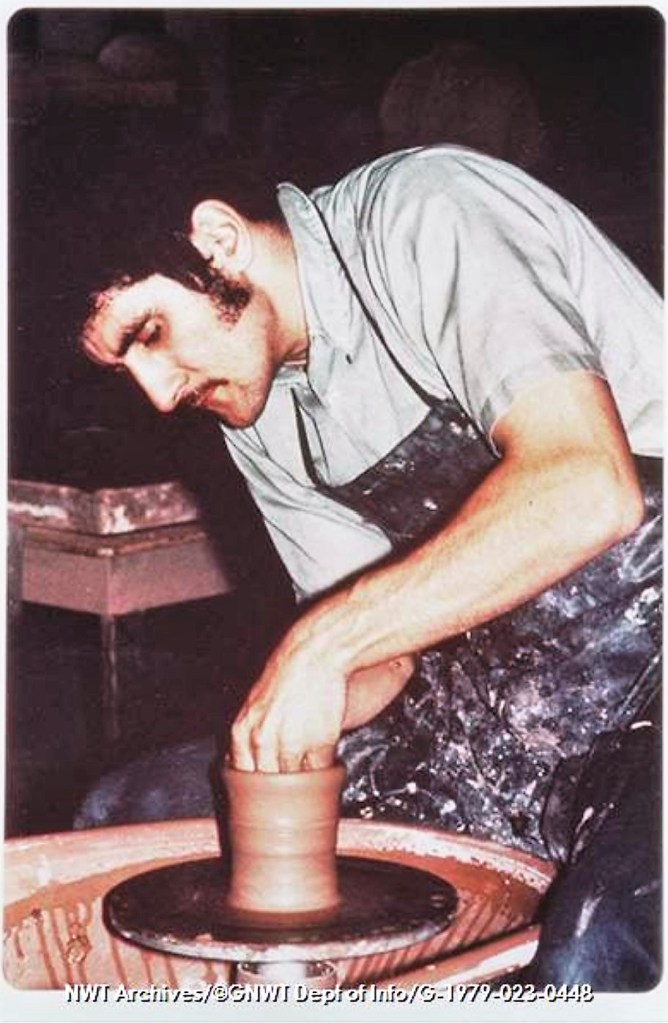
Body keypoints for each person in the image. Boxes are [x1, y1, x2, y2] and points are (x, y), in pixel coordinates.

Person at [79, 145, 662, 989]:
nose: (160, 394)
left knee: (593, 945)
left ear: (217, 240)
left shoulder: (426, 214)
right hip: (518, 709)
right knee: (131, 819)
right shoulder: (261, 416)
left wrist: (316, 647)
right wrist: (281, 725)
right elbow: (382, 654)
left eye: (152, 334)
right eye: (127, 369)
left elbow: (587, 487)